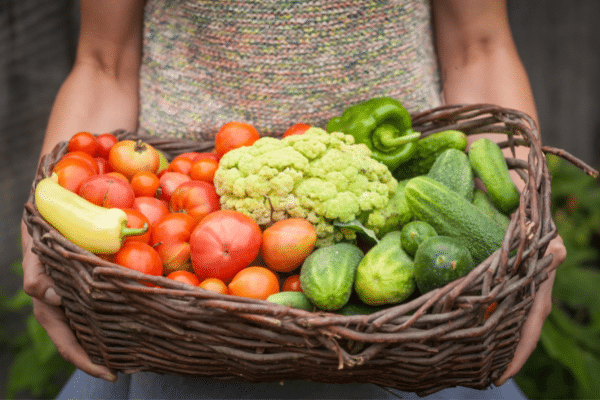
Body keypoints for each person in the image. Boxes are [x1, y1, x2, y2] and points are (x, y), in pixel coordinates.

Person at [21, 0, 566, 398]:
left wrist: (523, 229)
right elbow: (102, 62)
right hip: (171, 291)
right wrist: (49, 218)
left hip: (427, 314)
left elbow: (481, 48)